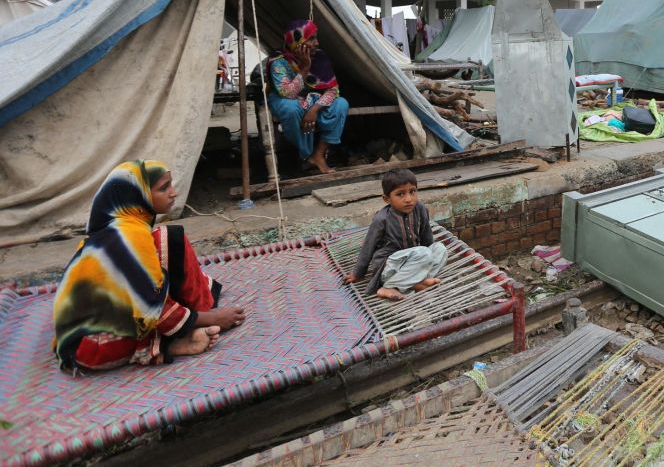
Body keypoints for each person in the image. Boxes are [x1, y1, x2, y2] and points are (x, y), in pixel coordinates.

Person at [53, 160, 247, 371]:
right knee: (148, 317)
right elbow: (151, 311)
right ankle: (169, 344)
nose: (173, 193)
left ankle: (188, 319)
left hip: (106, 315)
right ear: (137, 194)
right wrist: (212, 318)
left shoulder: (124, 224)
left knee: (168, 239)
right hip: (86, 345)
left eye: (170, 185)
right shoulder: (130, 236)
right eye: (164, 188)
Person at [343, 169, 447, 301]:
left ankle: (419, 281)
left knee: (439, 248)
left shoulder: (420, 209)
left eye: (412, 191)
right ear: (387, 199)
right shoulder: (382, 219)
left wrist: (429, 256)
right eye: (400, 194)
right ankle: (388, 287)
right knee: (424, 253)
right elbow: (368, 246)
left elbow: (426, 237)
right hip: (390, 267)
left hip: (413, 262)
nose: (409, 199)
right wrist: (358, 273)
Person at [267, 20, 349, 174]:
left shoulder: (320, 57)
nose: (316, 43)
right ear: (296, 42)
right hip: (285, 99)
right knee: (291, 109)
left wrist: (314, 110)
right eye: (311, 39)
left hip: (313, 100)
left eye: (316, 38)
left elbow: (333, 90)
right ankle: (307, 155)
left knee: (341, 104)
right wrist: (305, 68)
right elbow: (288, 94)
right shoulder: (279, 61)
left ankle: (318, 154)